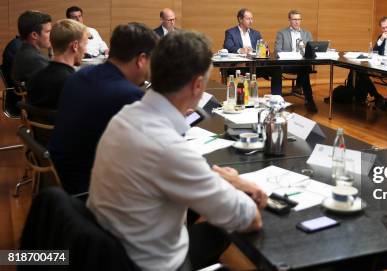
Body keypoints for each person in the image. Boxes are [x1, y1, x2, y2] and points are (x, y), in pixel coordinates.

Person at [88, 30, 265, 271]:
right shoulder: (168, 148)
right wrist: (241, 187)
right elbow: (249, 219)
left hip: (114, 248)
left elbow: (172, 169)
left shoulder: (125, 116)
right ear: (198, 86)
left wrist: (226, 179)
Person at [49, 23, 158, 195]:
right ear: (141, 59)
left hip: (65, 178)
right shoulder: (129, 96)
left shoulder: (80, 75)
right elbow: (159, 149)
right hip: (92, 189)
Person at [27, 19, 88, 110]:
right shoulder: (75, 83)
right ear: (75, 46)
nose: (86, 50)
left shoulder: (34, 77)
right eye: (85, 44)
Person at [354, 16, 387, 110]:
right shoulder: (381, 37)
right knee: (360, 71)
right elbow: (373, 52)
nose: (386, 30)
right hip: (381, 66)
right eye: (383, 28)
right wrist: (381, 40)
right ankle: (376, 96)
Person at [223, 8, 282, 95]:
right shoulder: (231, 32)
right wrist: (240, 50)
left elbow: (265, 49)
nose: (251, 21)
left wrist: (264, 48)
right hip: (240, 67)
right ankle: (243, 99)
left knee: (276, 69)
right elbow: (228, 46)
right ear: (240, 19)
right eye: (248, 19)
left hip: (256, 66)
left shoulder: (256, 33)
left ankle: (276, 98)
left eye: (252, 19)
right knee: (242, 77)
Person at [275, 10, 317, 112]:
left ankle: (301, 88)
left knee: (304, 67)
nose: (297, 22)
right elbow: (277, 50)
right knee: (305, 69)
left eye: (298, 19)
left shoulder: (306, 33)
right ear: (289, 20)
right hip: (287, 63)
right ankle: (309, 99)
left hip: (302, 63)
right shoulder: (282, 33)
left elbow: (311, 50)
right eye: (294, 19)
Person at [12, 10, 52, 84]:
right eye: (48, 31)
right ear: (34, 35)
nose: (52, 35)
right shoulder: (34, 59)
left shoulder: (25, 52)